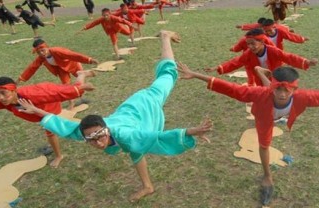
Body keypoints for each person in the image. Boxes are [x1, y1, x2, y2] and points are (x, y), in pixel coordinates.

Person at [17, 30, 213, 202]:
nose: (98, 142)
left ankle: (165, 37)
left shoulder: (124, 135)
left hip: (146, 103)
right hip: (128, 112)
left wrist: (190, 132)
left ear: (107, 129)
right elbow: (64, 125)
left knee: (168, 75)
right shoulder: (87, 132)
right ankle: (147, 186)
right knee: (134, 149)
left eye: (100, 136)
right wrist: (38, 111)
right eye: (92, 140)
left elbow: (156, 138)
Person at [177, 63, 319, 206]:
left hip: (274, 107)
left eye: (287, 90)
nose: (283, 94)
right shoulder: (260, 94)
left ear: (295, 88)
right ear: (274, 86)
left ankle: (260, 72)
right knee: (264, 145)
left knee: (267, 90)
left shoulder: (304, 97)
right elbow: (230, 88)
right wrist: (195, 75)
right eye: (278, 88)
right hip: (263, 115)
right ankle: (267, 176)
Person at [0, 70, 96, 168]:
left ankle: (59, 156)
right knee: (75, 89)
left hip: (49, 105)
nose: (0, 98)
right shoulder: (5, 101)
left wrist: (81, 89)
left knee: (50, 131)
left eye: (3, 93)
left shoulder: (33, 94)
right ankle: (82, 74)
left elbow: (57, 93)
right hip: (39, 111)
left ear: (14, 90)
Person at [204, 29, 318, 86]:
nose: (250, 46)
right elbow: (236, 62)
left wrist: (307, 62)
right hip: (260, 80)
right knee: (264, 96)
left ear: (262, 41)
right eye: (248, 44)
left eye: (253, 43)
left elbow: (289, 57)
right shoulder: (248, 54)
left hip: (276, 76)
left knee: (277, 93)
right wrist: (218, 68)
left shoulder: (273, 51)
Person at [17, 39, 99, 109]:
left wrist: (89, 59)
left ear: (47, 47)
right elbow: (32, 67)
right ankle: (72, 103)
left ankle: (82, 84)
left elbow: (73, 55)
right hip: (61, 69)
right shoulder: (41, 58)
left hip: (72, 64)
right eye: (39, 52)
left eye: (43, 50)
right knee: (66, 86)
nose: (42, 53)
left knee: (79, 80)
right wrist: (21, 78)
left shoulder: (57, 51)